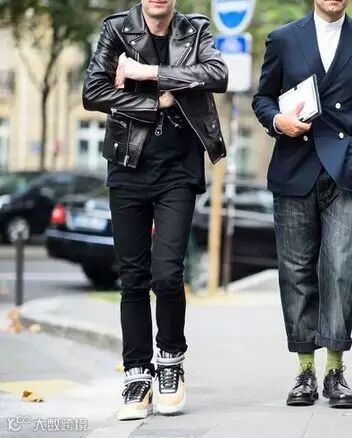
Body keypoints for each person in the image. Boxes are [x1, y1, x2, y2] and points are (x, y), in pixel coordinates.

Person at [252, 0, 352, 409]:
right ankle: (304, 371)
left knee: (342, 268)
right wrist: (277, 121)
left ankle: (335, 370)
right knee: (296, 271)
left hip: (346, 171)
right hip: (293, 167)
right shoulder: (284, 39)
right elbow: (262, 99)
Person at [82, 0, 228, 420]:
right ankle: (136, 374)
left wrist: (148, 73)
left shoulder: (194, 30)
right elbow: (93, 92)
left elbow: (217, 75)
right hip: (127, 166)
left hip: (179, 171)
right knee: (132, 278)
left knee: (167, 274)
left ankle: (170, 363)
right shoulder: (116, 29)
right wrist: (155, 104)